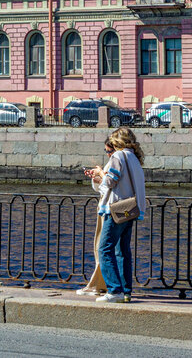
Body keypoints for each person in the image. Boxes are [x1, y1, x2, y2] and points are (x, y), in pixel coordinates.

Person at [89, 127, 146, 303]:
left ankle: (114, 290)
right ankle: (126, 291)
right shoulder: (134, 158)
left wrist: (100, 173)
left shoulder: (118, 156)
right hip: (130, 208)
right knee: (122, 251)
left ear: (117, 142)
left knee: (104, 248)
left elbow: (110, 182)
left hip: (116, 208)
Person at [75, 176, 107, 297]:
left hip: (109, 209)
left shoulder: (118, 160)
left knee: (103, 247)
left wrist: (100, 175)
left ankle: (99, 285)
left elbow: (110, 185)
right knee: (106, 247)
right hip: (109, 208)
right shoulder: (127, 161)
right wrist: (96, 179)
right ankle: (106, 284)